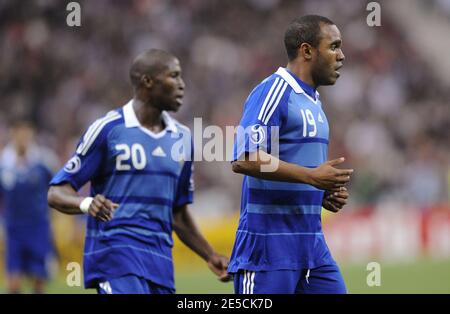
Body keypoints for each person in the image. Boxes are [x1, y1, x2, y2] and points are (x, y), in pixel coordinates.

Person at [47, 49, 230, 294]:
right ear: (147, 82)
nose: (182, 85)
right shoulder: (108, 129)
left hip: (160, 263)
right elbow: (57, 191)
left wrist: (209, 255)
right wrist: (86, 203)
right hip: (116, 257)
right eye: (174, 76)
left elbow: (178, 213)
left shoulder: (182, 138)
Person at [228, 15, 353, 294]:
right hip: (268, 247)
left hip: (311, 245)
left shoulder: (314, 102)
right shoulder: (275, 91)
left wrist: (322, 193)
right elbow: (244, 158)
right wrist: (312, 177)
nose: (342, 55)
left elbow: (294, 169)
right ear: (307, 50)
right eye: (334, 46)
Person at [0, 120, 57, 293]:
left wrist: (53, 218)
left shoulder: (44, 161)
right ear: (13, 134)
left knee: (39, 280)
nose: (23, 137)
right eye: (19, 132)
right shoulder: (4, 164)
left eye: (26, 132)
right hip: (14, 228)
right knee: (13, 283)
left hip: (38, 226)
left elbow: (56, 190)